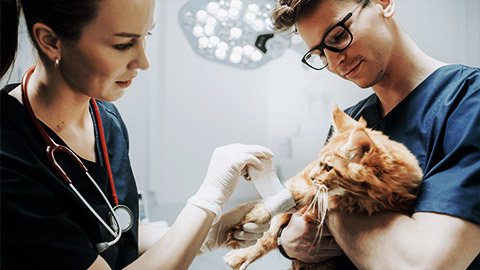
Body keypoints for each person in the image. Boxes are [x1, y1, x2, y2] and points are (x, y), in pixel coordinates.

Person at [0, 0, 272, 269]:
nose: (144, 62)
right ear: (50, 41)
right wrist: (205, 202)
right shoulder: (8, 153)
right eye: (123, 44)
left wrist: (211, 232)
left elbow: (118, 232)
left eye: (146, 36)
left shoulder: (105, 117)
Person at [270, 0, 480, 269]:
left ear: (383, 4)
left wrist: (331, 198)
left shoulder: (468, 101)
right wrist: (283, 241)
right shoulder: (350, 122)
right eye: (320, 54)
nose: (335, 62)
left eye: (337, 36)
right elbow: (306, 231)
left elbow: (427, 263)